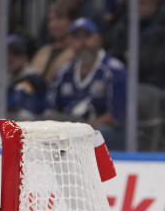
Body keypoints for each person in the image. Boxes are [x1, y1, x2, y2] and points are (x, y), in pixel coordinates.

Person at [46, 18, 126, 150]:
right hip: (69, 132)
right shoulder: (64, 72)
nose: (82, 43)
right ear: (71, 42)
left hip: (102, 134)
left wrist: (83, 129)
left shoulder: (114, 71)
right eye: (77, 38)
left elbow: (117, 116)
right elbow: (51, 109)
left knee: (100, 133)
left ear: (99, 39)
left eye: (87, 37)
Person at [0, 35, 47, 120]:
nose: (9, 58)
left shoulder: (35, 79)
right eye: (6, 54)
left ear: (25, 57)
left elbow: (31, 109)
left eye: (15, 53)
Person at [31, 0, 75, 83]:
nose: (53, 24)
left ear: (71, 22)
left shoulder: (77, 53)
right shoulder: (43, 51)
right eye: (50, 20)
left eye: (59, 18)